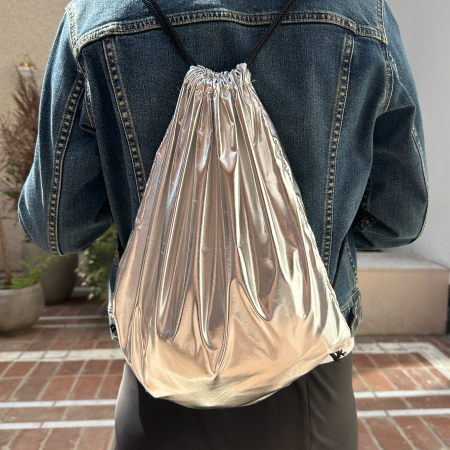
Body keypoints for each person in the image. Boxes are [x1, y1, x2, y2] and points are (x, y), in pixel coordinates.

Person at [18, 0, 429, 448]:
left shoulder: (96, 17)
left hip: (161, 373)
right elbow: (398, 219)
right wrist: (316, 239)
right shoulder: (362, 14)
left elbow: (56, 228)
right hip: (308, 375)